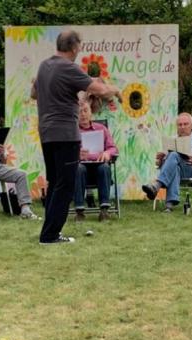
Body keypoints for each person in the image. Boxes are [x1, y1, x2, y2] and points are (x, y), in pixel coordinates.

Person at [31, 29, 121, 244]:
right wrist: (115, 90)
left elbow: (34, 93)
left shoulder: (45, 66)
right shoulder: (69, 68)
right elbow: (100, 91)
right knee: (66, 184)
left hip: (47, 132)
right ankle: (51, 235)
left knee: (55, 183)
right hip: (65, 134)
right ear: (74, 47)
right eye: (79, 46)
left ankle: (47, 233)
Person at [141, 112, 192, 212]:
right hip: (175, 169)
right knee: (174, 165)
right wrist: (160, 159)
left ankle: (157, 185)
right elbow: (160, 165)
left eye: (185, 124)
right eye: (180, 125)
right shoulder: (172, 139)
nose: (182, 127)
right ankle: (169, 205)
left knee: (173, 155)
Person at [74, 99, 118, 221]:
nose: (82, 114)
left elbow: (113, 148)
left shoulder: (101, 128)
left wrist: (107, 153)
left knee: (104, 167)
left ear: (90, 113)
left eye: (85, 111)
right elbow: (64, 153)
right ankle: (79, 212)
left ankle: (104, 211)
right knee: (78, 168)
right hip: (81, 171)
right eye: (79, 112)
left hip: (99, 170)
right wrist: (76, 154)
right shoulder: (72, 132)